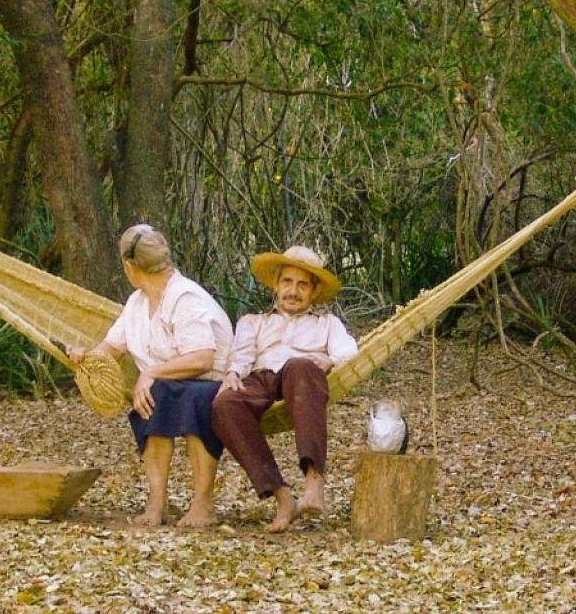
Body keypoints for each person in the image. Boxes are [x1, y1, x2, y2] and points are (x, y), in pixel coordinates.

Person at [68, 224, 233, 528]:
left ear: (129, 267)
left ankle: (203, 504)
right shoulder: (137, 303)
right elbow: (112, 349)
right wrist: (84, 356)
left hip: (213, 383)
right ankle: (157, 502)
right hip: (167, 385)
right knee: (150, 399)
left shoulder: (185, 298)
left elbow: (203, 357)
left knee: (192, 399)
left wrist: (151, 373)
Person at [212, 245, 358, 533]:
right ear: (276, 286)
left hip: (303, 379)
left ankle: (314, 479)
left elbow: (350, 352)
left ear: (314, 292)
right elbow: (241, 356)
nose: (293, 291)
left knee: (300, 365)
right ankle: (282, 496)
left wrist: (329, 359)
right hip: (260, 379)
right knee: (223, 404)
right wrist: (231, 374)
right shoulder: (253, 322)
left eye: (302, 284)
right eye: (287, 282)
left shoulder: (327, 324)